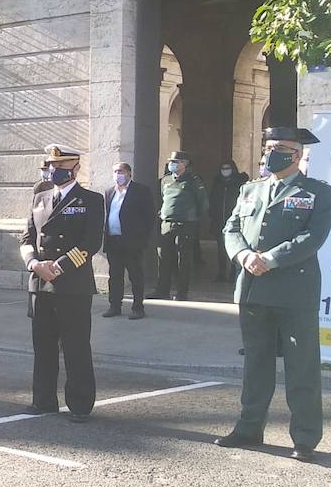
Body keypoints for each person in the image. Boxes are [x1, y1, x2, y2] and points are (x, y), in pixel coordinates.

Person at [216, 128, 331, 462]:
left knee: (302, 368)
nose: (271, 153)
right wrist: (243, 256)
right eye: (268, 147)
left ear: (296, 155)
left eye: (279, 148)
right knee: (256, 365)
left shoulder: (317, 192)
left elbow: (312, 237)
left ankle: (305, 438)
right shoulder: (250, 189)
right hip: (253, 290)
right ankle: (249, 428)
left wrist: (268, 259)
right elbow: (231, 229)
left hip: (294, 293)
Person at [20, 144, 105, 422]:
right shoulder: (39, 197)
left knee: (75, 345)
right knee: (42, 345)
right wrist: (34, 264)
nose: (53, 171)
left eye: (60, 167)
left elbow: (91, 242)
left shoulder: (90, 200)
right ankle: (43, 400)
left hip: (72, 284)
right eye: (51, 167)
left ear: (75, 168)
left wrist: (58, 267)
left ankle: (80, 404)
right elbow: (27, 238)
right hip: (40, 284)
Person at [102, 162, 156, 319]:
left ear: (129, 173)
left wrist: (142, 238)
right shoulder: (109, 192)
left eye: (121, 171)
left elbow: (149, 216)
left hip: (132, 242)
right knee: (115, 276)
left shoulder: (140, 191)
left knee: (135, 276)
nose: (117, 174)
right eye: (115, 171)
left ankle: (138, 307)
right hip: (113, 241)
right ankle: (114, 306)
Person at [154, 150, 208, 301]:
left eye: (175, 162)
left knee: (182, 259)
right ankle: (162, 290)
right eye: (171, 161)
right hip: (167, 223)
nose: (172, 164)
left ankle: (181, 292)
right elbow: (162, 199)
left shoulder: (193, 181)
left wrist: (194, 219)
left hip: (185, 224)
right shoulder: (165, 180)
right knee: (163, 257)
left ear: (184, 164)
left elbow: (202, 202)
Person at [210, 160, 250, 282]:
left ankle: (234, 273)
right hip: (219, 222)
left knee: (235, 247)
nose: (225, 170)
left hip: (235, 223)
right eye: (223, 168)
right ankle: (221, 272)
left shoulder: (240, 183)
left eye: (228, 168)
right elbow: (212, 200)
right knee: (221, 249)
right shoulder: (217, 183)